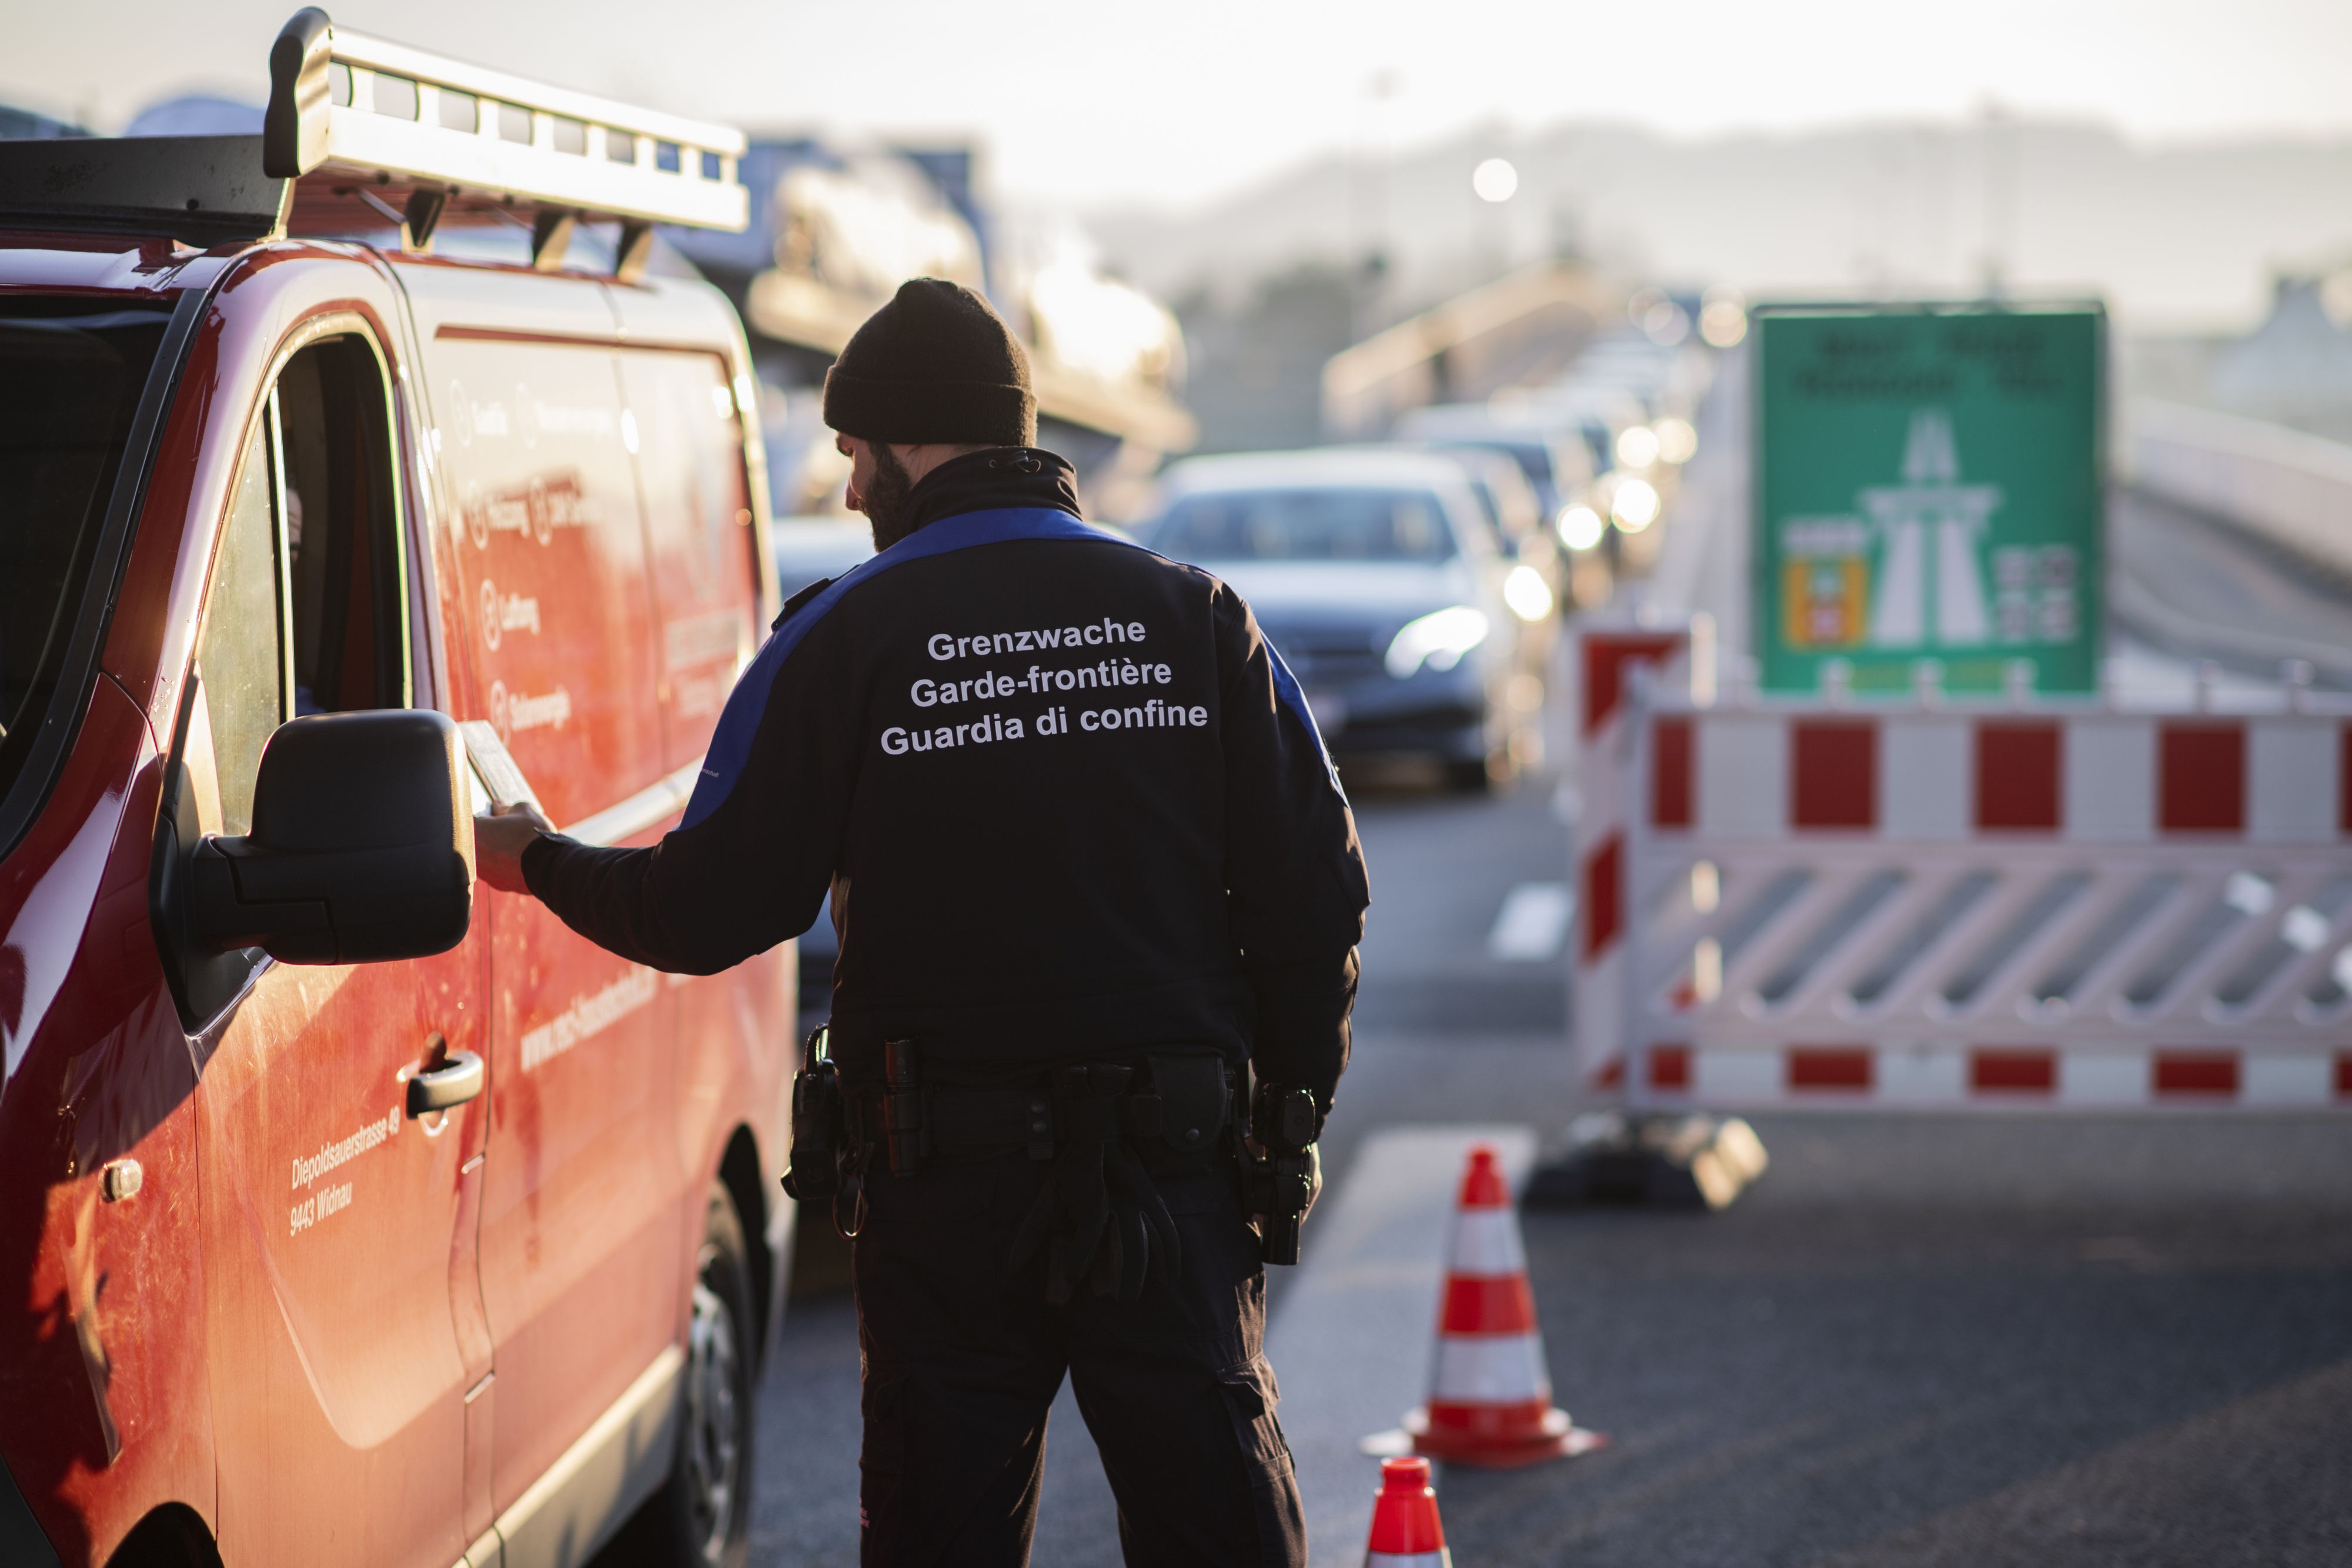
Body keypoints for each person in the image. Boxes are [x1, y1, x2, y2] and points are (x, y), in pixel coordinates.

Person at [476, 278, 1368, 1567]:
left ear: (908, 444)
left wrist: (535, 860)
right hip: (1172, 1183)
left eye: (852, 453)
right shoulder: (1196, 619)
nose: (845, 489)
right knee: (1219, 1530)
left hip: (945, 1195)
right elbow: (1314, 895)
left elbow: (710, 907)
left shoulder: (840, 637)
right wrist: (1283, 1118)